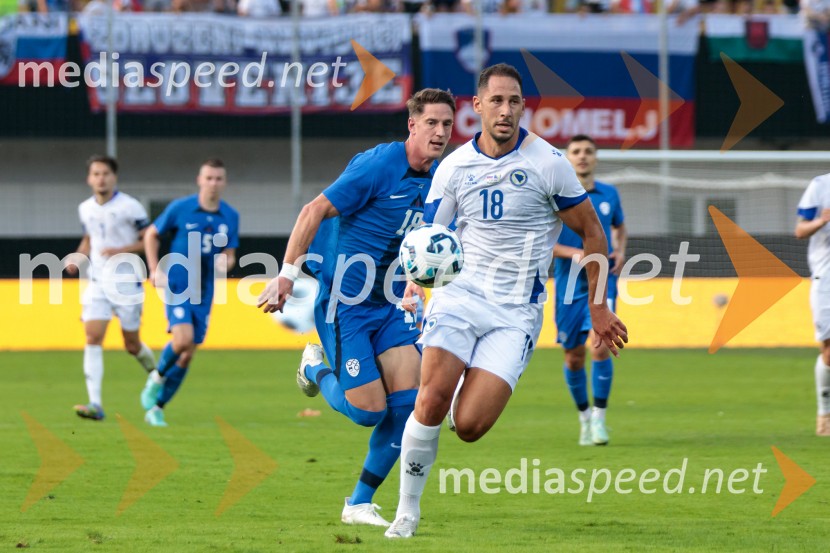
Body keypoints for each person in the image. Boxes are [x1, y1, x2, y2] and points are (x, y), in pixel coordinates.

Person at [384, 64, 628, 539]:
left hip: (516, 312)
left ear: (522, 107)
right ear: (477, 106)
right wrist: (416, 280)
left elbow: (593, 232)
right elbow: (431, 234)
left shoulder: (549, 163)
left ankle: (457, 387)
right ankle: (406, 512)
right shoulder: (455, 166)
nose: (505, 110)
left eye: (514, 101)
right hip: (459, 296)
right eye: (496, 100)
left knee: (470, 426)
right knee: (429, 400)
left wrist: (598, 307)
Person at [257, 88, 456, 527]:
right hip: (344, 305)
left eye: (447, 124)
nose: (440, 132)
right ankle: (315, 369)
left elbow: (430, 245)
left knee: (408, 407)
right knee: (369, 413)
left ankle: (358, 504)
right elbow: (313, 210)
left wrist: (416, 283)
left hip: (390, 305)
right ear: (412, 125)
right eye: (431, 123)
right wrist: (286, 275)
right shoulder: (379, 165)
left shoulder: (443, 179)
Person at [140, 159, 240, 427]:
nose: (213, 183)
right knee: (182, 339)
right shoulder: (181, 208)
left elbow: (230, 254)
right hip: (178, 284)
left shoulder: (230, 216)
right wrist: (154, 269)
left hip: (204, 290)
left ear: (224, 182)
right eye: (209, 178)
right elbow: (151, 234)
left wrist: (226, 262)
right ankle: (156, 377)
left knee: (187, 354)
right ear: (199, 180)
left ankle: (157, 408)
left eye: (218, 178)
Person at [64, 155, 157, 421]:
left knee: (131, 344)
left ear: (114, 177)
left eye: (105, 173)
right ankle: (95, 404)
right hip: (97, 282)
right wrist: (77, 257)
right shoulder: (85, 208)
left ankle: (157, 376)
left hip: (126, 282)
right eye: (96, 174)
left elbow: (149, 239)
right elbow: (89, 238)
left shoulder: (131, 206)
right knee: (92, 337)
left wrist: (122, 250)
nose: (101, 178)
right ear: (89, 178)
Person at [554, 134, 627, 446]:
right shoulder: (555, 195)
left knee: (600, 346)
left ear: (595, 158)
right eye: (576, 151)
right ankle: (584, 418)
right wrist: (573, 253)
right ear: (567, 158)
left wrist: (620, 250)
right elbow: (543, 241)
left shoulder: (609, 193)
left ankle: (599, 418)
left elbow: (620, 227)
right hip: (568, 286)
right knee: (573, 357)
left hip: (602, 282)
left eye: (588, 151)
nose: (582, 156)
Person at [795, 172, 830, 436]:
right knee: (829, 352)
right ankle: (825, 414)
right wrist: (822, 221)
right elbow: (800, 230)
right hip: (826, 278)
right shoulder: (821, 185)